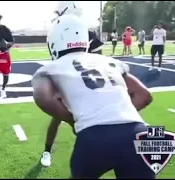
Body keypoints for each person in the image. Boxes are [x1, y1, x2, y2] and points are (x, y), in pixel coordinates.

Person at [32, 14, 154, 179]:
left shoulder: (51, 69)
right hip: (141, 132)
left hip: (95, 138)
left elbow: (43, 98)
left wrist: (72, 120)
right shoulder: (109, 61)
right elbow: (144, 95)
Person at [40, 1, 104, 167]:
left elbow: (99, 58)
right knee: (59, 117)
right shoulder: (57, 29)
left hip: (86, 80)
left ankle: (91, 150)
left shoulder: (87, 32)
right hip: (66, 77)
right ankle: (47, 151)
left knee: (85, 120)